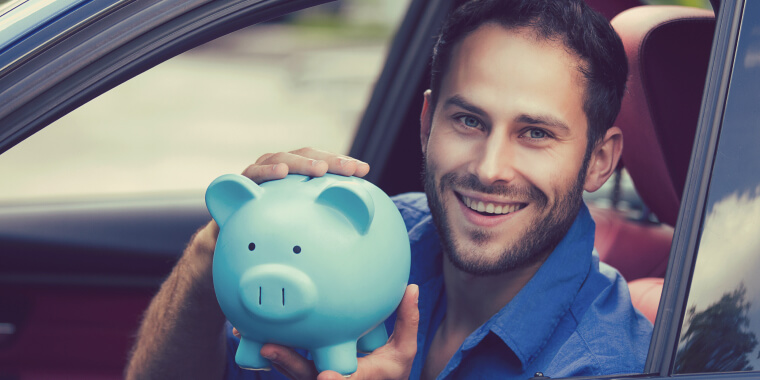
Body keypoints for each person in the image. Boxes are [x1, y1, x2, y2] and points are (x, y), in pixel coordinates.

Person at [125, 0, 653, 379]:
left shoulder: (606, 364)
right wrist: (211, 254)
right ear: (427, 123)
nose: (491, 168)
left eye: (535, 133)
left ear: (599, 161)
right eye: (468, 121)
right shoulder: (356, 241)